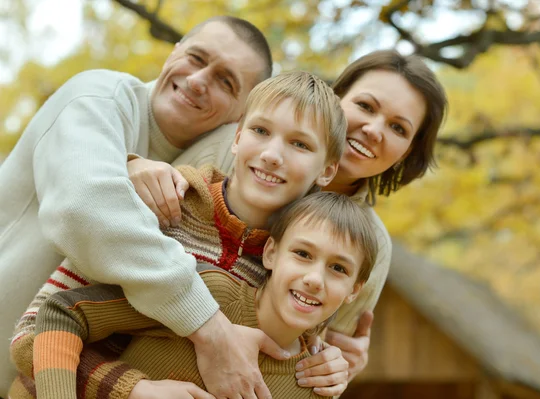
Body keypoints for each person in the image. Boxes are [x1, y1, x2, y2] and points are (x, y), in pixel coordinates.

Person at [9, 71, 350, 398]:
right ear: (237, 137)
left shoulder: (298, 270)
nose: (272, 155)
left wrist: (325, 363)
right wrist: (134, 390)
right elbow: (32, 335)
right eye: (261, 130)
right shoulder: (163, 205)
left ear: (328, 170)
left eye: (300, 144)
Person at [0, 15, 280, 398]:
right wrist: (211, 329)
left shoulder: (215, 184)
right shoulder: (99, 94)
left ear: (240, 116)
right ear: (175, 50)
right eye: (197, 58)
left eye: (225, 81)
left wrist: (322, 346)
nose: (199, 80)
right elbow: (83, 209)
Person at [133, 50, 449, 384]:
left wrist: (336, 367)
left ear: (408, 152)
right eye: (366, 106)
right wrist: (132, 165)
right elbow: (154, 198)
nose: (373, 129)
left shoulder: (374, 243)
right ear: (336, 99)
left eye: (398, 128)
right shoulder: (239, 145)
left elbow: (314, 353)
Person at [19, 192, 377, 399]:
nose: (315, 279)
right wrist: (130, 388)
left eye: (338, 269)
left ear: (353, 291)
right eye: (302, 254)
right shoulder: (207, 295)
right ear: (270, 254)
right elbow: (62, 311)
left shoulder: (315, 386)